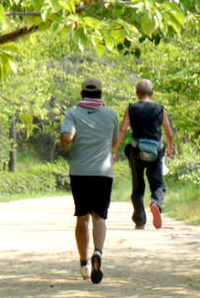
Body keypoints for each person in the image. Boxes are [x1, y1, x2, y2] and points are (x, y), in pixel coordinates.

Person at [60, 77, 119, 284]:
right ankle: (99, 252)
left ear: (81, 94)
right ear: (101, 95)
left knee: (82, 217)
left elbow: (67, 138)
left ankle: (85, 264)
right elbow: (113, 140)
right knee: (99, 217)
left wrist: (66, 144)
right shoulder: (112, 114)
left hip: (80, 172)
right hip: (103, 174)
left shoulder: (73, 114)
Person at [112, 79, 174, 229]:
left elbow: (122, 130)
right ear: (152, 94)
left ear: (137, 94)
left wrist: (114, 150)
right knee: (158, 185)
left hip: (137, 150)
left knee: (138, 186)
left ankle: (140, 221)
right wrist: (169, 147)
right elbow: (168, 132)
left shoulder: (131, 108)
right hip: (156, 152)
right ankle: (156, 203)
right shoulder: (160, 110)